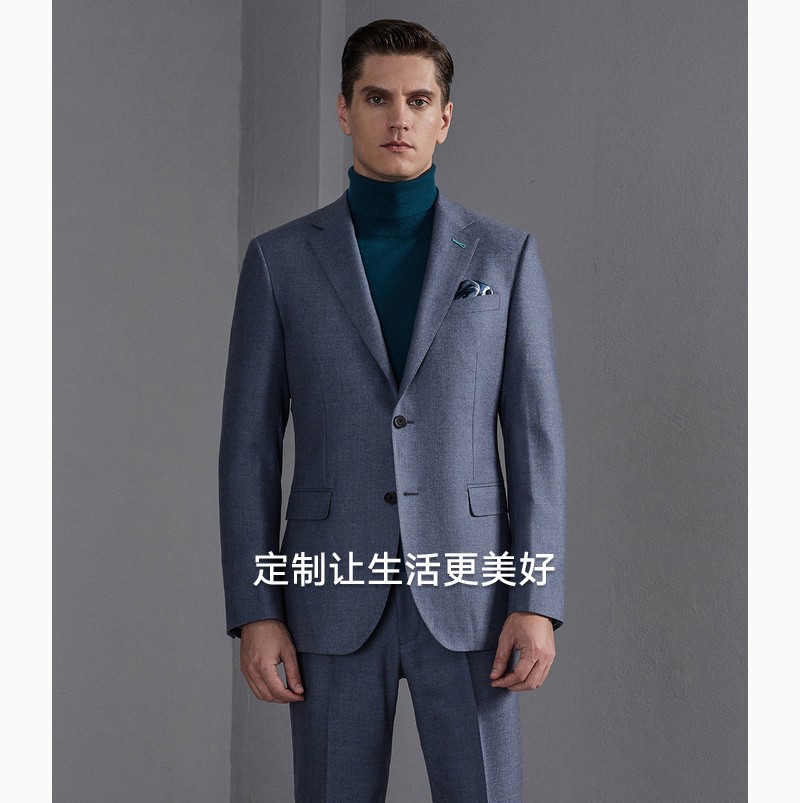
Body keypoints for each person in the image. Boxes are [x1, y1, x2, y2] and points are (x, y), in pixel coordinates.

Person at [219, 18, 567, 802]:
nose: (398, 118)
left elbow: (536, 442)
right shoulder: (280, 260)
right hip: (329, 590)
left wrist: (537, 599)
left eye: (418, 100)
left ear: (445, 117)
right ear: (345, 110)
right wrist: (256, 610)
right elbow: (247, 450)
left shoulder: (504, 257)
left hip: (473, 594)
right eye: (377, 98)